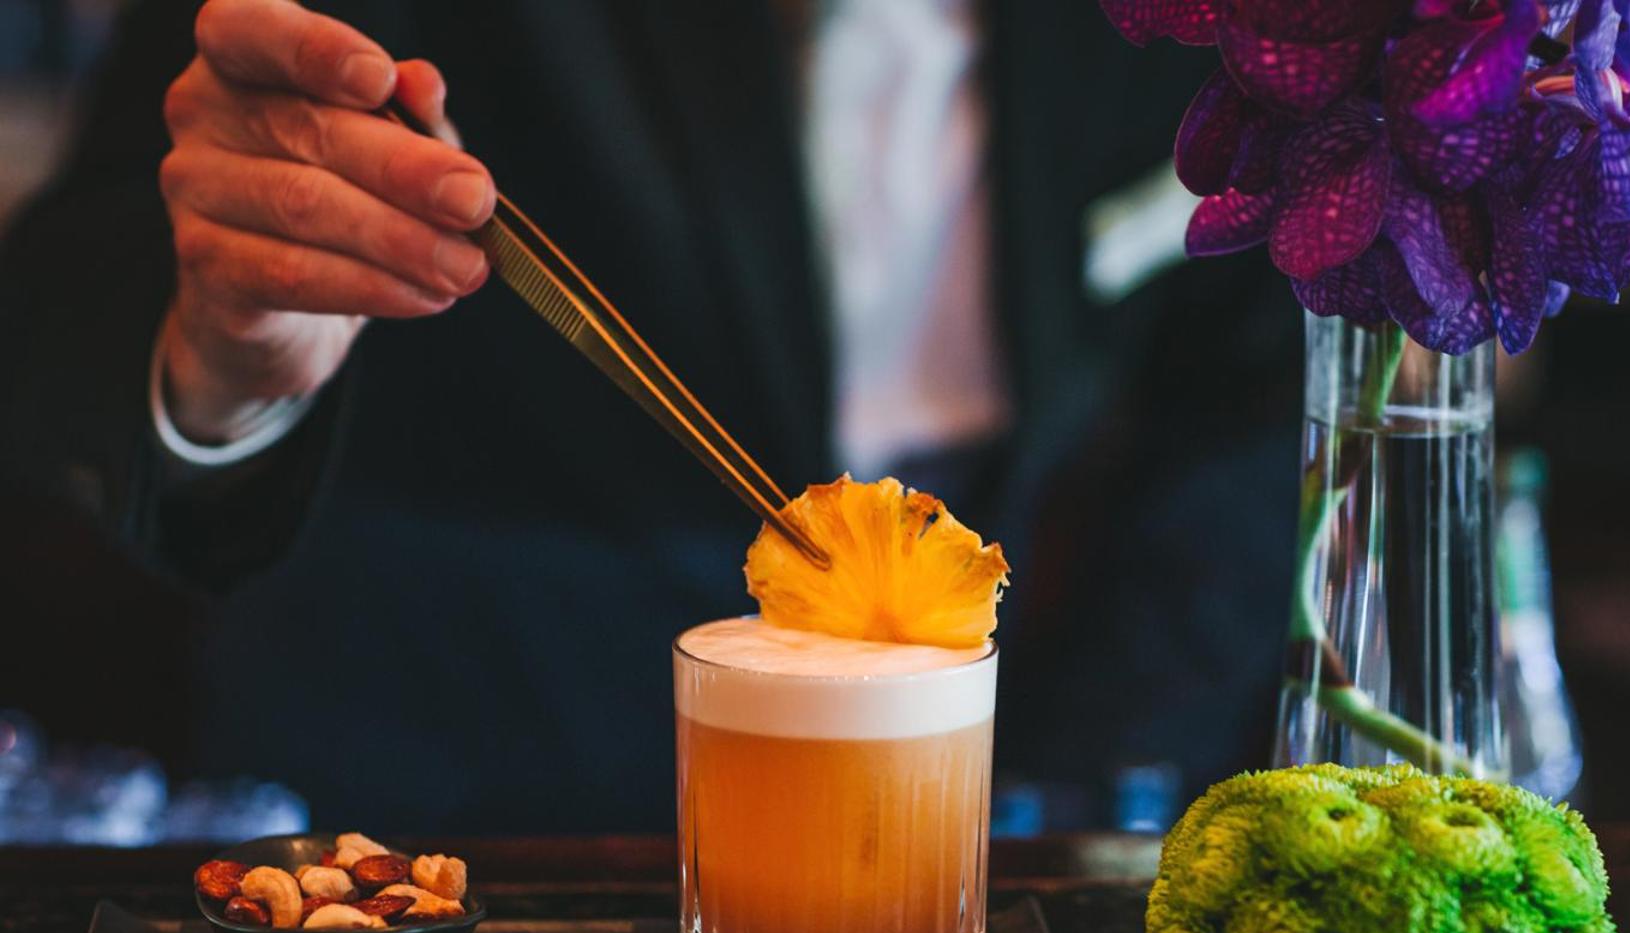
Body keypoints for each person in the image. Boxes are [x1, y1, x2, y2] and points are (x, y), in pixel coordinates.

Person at [0, 0, 1299, 833]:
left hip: (953, 771)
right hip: (441, 765)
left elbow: (1248, 414)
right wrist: (224, 358)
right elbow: (88, 284)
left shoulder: (1204, 29)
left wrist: (1073, 794)